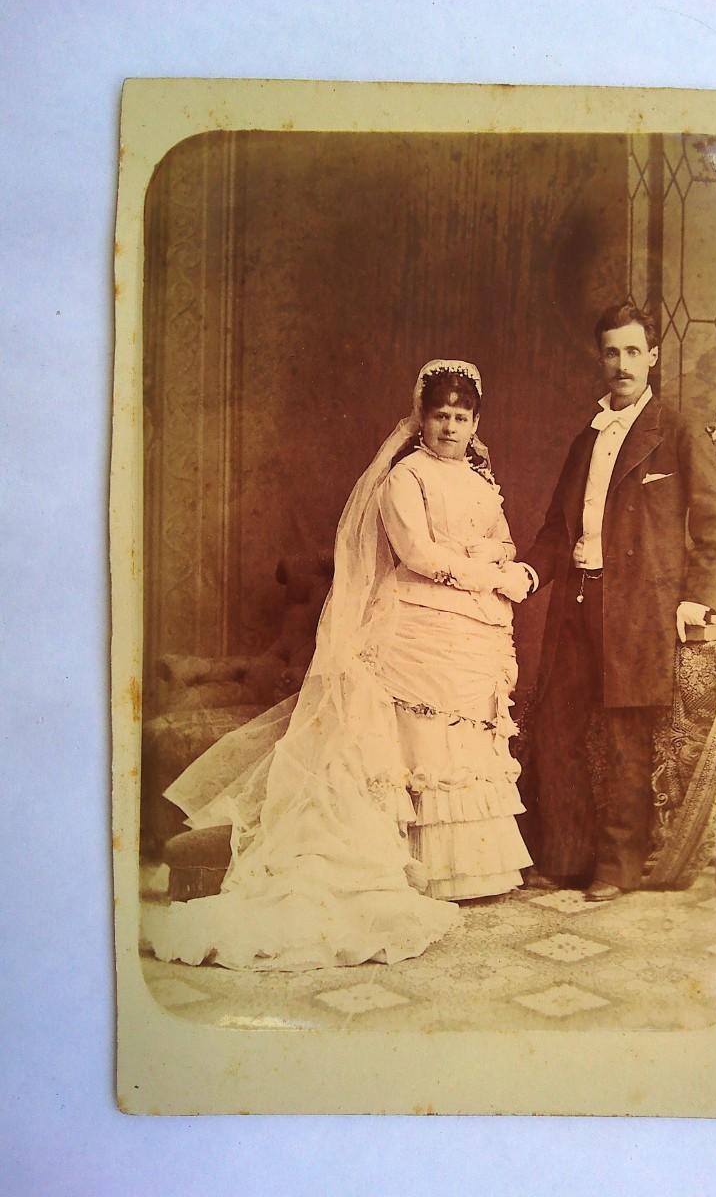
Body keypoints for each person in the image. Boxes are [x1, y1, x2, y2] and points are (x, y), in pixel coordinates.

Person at [143, 359, 531, 972]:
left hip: (472, 629)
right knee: (422, 744)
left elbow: (504, 541)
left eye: (461, 418)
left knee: (462, 743)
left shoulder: (482, 482)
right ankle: (421, 869)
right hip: (416, 625)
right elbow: (418, 553)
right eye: (440, 417)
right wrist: (487, 572)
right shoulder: (405, 478)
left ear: (476, 422)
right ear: (420, 420)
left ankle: (472, 867)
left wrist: (511, 566)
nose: (450, 428)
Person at [519, 303, 716, 902]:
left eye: (633, 352)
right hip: (578, 600)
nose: (622, 364)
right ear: (601, 358)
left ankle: (617, 867)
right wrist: (528, 574)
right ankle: (564, 858)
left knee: (625, 734)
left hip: (639, 607)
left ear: (652, 357)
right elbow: (554, 531)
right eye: (612, 352)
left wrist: (698, 598)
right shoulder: (586, 438)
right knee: (558, 725)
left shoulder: (676, 430)